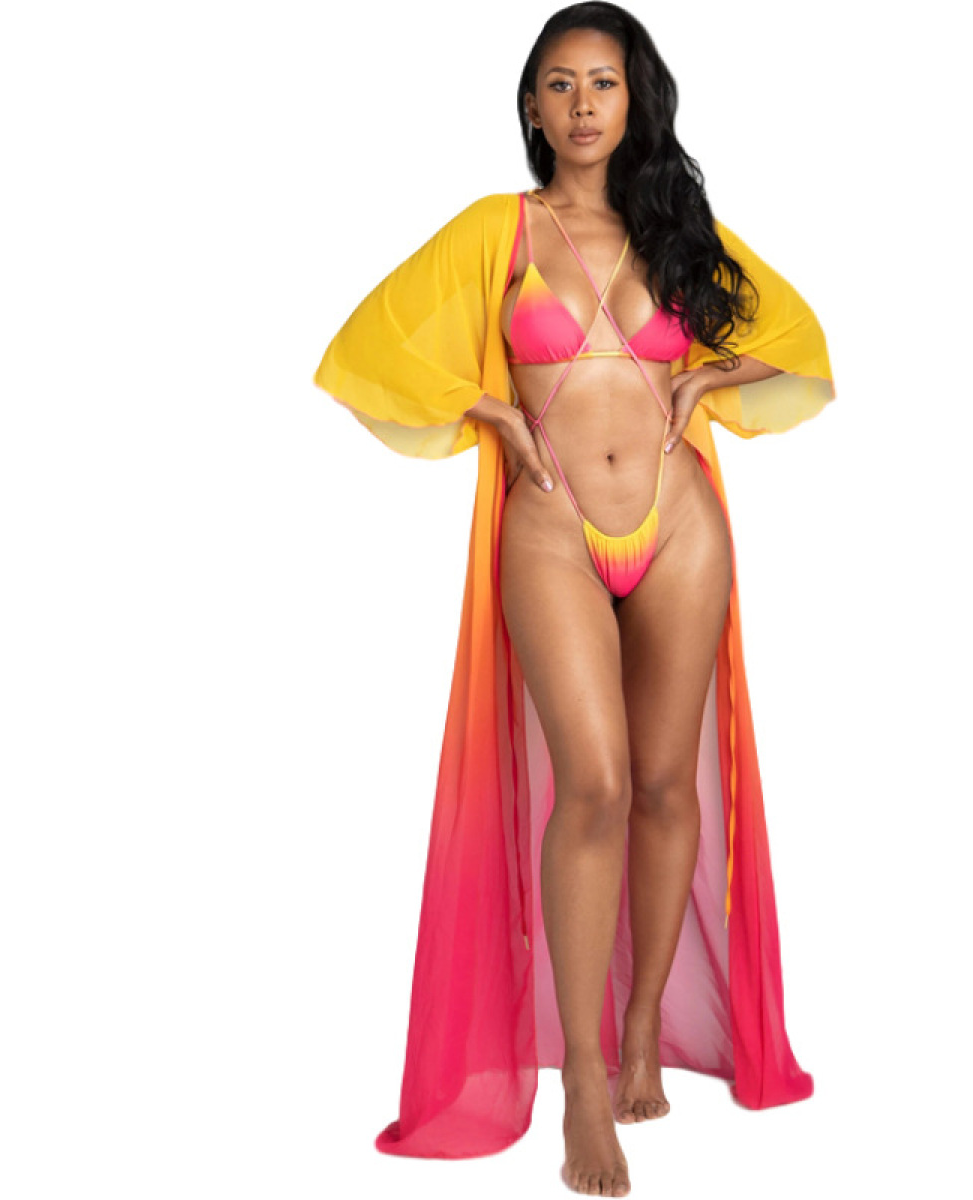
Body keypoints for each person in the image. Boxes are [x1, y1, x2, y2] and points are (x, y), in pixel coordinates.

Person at [312, 3, 836, 1195]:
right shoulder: (496, 229)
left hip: (679, 524)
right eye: (561, 83)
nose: (585, 103)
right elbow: (368, 349)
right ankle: (585, 1085)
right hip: (552, 526)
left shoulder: (678, 230)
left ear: (635, 98)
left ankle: (644, 1025)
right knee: (591, 783)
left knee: (663, 781)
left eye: (604, 81)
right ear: (533, 106)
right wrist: (488, 411)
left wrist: (704, 379)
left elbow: (802, 339)